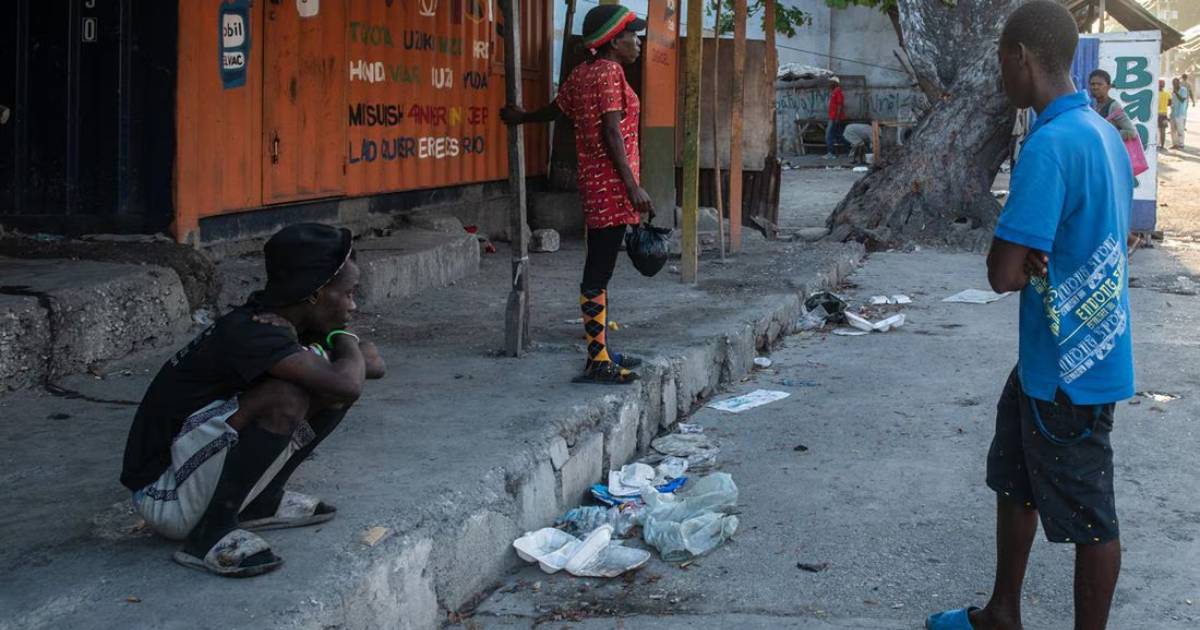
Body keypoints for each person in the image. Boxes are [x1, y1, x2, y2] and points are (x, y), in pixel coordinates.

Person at [925, 2, 1134, 630]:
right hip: (1072, 351)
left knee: (1092, 518)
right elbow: (1098, 238)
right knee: (1013, 477)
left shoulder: (1049, 143)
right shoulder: (1103, 132)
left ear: (1019, 58)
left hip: (1067, 369)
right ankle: (1001, 613)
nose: (1000, 78)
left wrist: (1030, 259)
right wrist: (1039, 258)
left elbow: (1001, 273)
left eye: (1000, 64)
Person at [120, 223, 387, 577]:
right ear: (315, 293)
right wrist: (343, 336)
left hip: (191, 474)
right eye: (349, 293)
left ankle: (262, 502)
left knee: (325, 388)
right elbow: (349, 380)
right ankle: (207, 535)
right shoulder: (254, 333)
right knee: (286, 397)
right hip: (164, 494)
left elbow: (373, 365)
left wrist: (341, 345)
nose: (353, 305)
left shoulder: (288, 322)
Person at [501, 4, 647, 385]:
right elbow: (612, 133)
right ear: (614, 41)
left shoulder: (582, 74)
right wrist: (633, 186)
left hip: (595, 183)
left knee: (599, 269)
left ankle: (602, 350)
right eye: (633, 36)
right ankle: (598, 360)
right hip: (613, 187)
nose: (638, 43)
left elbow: (556, 109)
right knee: (598, 273)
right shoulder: (611, 72)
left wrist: (522, 117)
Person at [1088, 69, 1137, 142]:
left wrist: (1106, 134)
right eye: (1093, 84)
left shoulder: (1113, 106)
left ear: (1108, 87)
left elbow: (1131, 132)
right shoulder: (1096, 106)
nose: (1095, 87)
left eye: (1099, 84)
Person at [824, 76, 846, 159]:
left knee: (828, 135)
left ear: (836, 83)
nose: (829, 84)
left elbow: (839, 105)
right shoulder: (834, 92)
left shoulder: (837, 92)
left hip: (834, 118)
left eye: (831, 82)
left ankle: (830, 153)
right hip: (833, 117)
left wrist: (836, 118)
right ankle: (848, 150)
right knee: (838, 135)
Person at [1171, 77, 1189, 149]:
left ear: (1179, 83)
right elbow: (1172, 102)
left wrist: (1175, 92)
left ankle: (1181, 144)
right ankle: (1175, 144)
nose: (1174, 84)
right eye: (1173, 83)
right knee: (1173, 130)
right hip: (1173, 113)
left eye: (1176, 83)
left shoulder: (1183, 90)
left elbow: (1182, 100)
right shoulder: (1173, 91)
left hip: (1180, 113)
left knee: (1180, 130)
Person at [1158, 78, 1171, 151]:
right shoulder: (1167, 93)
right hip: (1164, 115)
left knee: (1156, 130)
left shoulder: (1155, 93)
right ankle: (1162, 145)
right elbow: (1169, 103)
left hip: (1156, 115)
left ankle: (1156, 145)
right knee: (1163, 131)